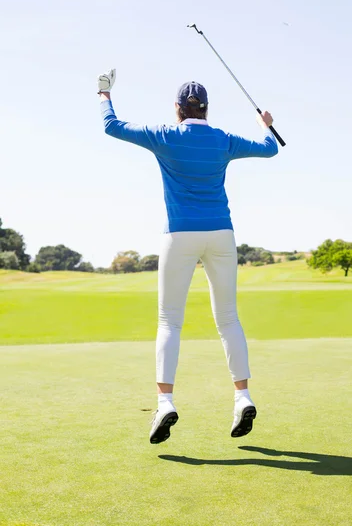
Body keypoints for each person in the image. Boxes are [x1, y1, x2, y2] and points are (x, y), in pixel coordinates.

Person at [98, 69, 279, 444]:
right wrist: (266, 125)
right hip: (221, 234)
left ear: (178, 109)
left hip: (180, 235)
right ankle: (242, 396)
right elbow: (269, 149)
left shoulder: (163, 135)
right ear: (207, 110)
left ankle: (165, 403)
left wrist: (104, 93)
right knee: (228, 318)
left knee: (169, 322)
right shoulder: (223, 139)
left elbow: (112, 127)